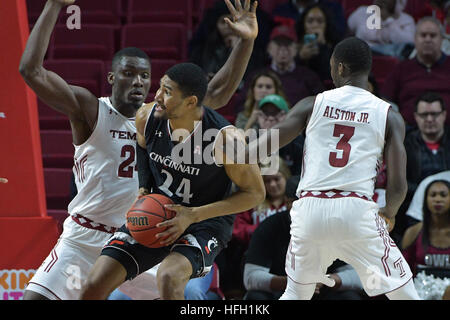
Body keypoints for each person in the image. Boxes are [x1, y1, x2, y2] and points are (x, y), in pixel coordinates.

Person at [20, 0, 260, 300]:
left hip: (144, 235)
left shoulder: (163, 116)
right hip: (85, 238)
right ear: (111, 78)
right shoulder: (91, 110)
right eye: (128, 74)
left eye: (145, 76)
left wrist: (244, 43)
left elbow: (219, 91)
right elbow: (31, 71)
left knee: (180, 292)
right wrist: (54, 6)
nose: (138, 81)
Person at [248, 36, 420, 300]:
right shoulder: (389, 115)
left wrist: (230, 151)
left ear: (339, 68)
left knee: (295, 294)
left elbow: (260, 148)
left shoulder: (312, 103)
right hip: (356, 210)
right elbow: (398, 184)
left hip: (309, 210)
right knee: (404, 293)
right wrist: (390, 212)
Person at [380, 16, 450, 127]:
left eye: (433, 35)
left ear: (442, 39)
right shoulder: (401, 68)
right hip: (409, 133)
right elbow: (385, 101)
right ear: (415, 39)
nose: (428, 39)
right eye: (423, 35)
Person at [402, 180, 450, 276]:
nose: (438, 199)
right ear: (425, 200)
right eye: (433, 195)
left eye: (443, 195)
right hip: (420, 289)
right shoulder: (413, 232)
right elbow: (402, 271)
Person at [347, 0, 415, 58]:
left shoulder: (406, 20)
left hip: (390, 60)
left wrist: (388, 20)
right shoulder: (362, 12)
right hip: (360, 56)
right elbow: (348, 33)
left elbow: (409, 43)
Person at [296, 3, 342, 81]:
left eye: (320, 21)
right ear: (303, 24)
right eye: (310, 21)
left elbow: (332, 76)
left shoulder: (337, 46)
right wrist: (300, 57)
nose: (315, 25)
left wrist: (323, 47)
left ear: (326, 25)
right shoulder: (295, 44)